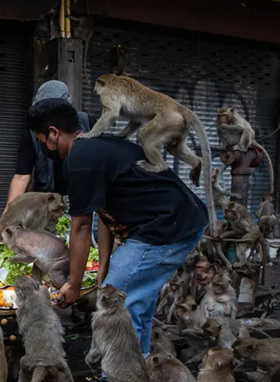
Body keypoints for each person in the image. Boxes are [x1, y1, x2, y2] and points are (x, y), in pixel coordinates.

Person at [28, 98, 207, 357]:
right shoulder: (97, 148)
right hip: (180, 221)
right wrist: (103, 264)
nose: (45, 147)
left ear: (54, 133)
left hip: (165, 229)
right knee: (135, 304)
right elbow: (104, 213)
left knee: (114, 304)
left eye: (43, 140)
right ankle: (138, 374)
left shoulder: (79, 158)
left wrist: (75, 284)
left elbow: (80, 227)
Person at [6, 80, 92, 204]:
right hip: (47, 202)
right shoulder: (33, 131)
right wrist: (7, 217)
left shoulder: (85, 122)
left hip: (81, 198)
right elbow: (21, 176)